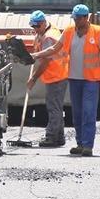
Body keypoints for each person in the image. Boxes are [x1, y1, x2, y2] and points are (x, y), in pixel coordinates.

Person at [31, 4, 100, 156]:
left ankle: (88, 146)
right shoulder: (69, 31)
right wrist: (35, 55)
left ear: (86, 17)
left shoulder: (97, 32)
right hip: (74, 79)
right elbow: (54, 49)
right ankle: (80, 144)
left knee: (88, 112)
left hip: (91, 80)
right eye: (74, 18)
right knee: (77, 114)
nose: (76, 21)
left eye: (78, 19)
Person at [26, 10, 68, 147]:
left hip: (57, 75)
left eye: (37, 26)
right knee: (56, 107)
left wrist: (33, 78)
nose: (36, 29)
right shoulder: (43, 33)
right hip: (55, 75)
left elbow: (46, 61)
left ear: (44, 23)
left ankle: (51, 137)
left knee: (53, 107)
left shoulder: (49, 37)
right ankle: (59, 137)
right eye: (33, 27)